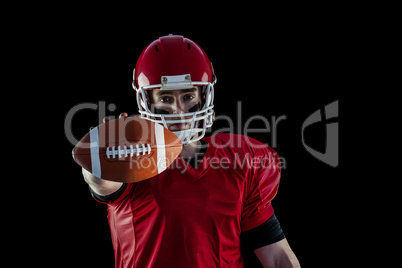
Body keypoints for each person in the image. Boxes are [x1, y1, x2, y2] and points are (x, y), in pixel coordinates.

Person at [82, 35, 300, 267]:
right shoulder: (131, 157)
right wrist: (102, 156)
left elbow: (276, 256)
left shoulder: (240, 158)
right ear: (147, 101)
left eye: (188, 96)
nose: (178, 111)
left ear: (204, 96)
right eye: (165, 98)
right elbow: (101, 182)